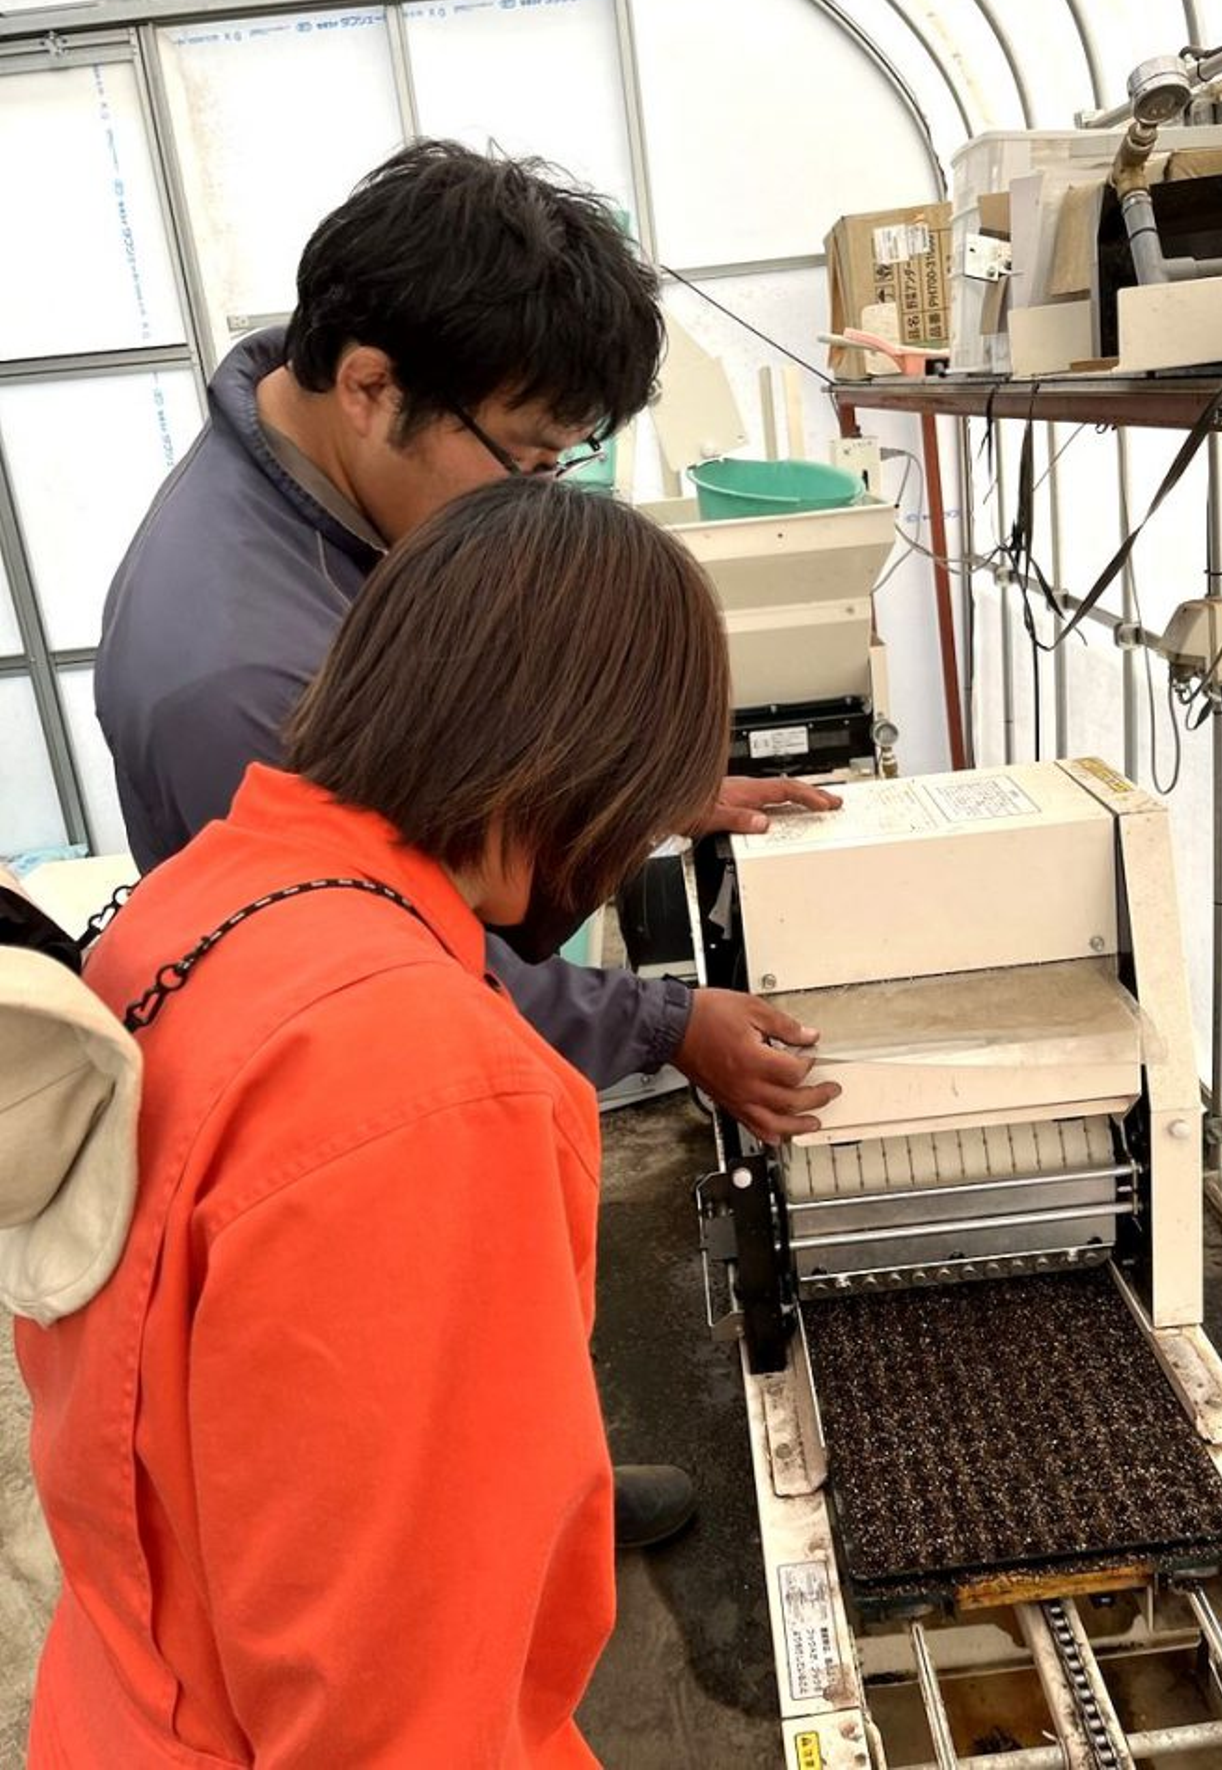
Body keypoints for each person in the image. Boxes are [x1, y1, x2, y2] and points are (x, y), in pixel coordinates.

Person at [93, 139, 841, 1545]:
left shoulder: (334, 479)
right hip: (334, 1183)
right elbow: (413, 970)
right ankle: (519, 1501)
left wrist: (632, 778)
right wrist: (670, 1020)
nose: (539, 498)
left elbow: (445, 764)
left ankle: (542, 1472)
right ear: (372, 385)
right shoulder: (242, 680)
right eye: (528, 458)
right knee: (414, 1424)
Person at [20, 483, 733, 1767]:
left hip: (126, 1692)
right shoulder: (433, 1092)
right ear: (570, 779)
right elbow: (396, 1701)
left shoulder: (202, 896)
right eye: (637, 818)